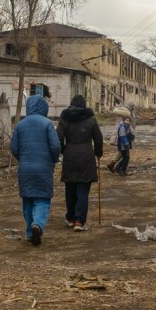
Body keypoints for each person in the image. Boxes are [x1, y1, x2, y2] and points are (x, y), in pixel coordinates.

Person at [10, 93, 60, 246]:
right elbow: (56, 146)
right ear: (44, 107)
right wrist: (53, 159)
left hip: (25, 168)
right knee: (42, 199)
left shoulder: (20, 125)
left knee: (28, 200)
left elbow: (14, 148)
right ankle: (37, 224)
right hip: (44, 167)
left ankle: (30, 232)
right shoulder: (47, 124)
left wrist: (23, 160)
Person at [57, 94, 103, 230]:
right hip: (86, 157)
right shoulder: (90, 119)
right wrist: (98, 152)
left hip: (70, 157)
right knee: (83, 189)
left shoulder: (64, 119)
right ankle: (79, 221)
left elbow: (58, 138)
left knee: (70, 189)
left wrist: (64, 150)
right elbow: (98, 138)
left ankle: (71, 217)